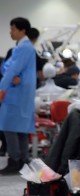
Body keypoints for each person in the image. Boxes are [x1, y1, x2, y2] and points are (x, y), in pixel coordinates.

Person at [0, 17, 36, 174]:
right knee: (20, 127)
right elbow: (8, 67)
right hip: (20, 91)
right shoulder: (21, 47)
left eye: (13, 29)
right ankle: (22, 158)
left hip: (16, 92)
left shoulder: (24, 48)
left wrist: (1, 88)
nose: (10, 32)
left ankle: (15, 160)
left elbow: (12, 69)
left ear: (23, 30)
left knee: (9, 126)